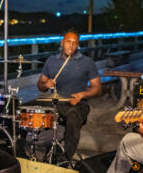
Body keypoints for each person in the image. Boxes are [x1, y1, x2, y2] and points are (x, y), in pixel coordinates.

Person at [36, 30, 101, 163]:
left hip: (78, 104)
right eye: (68, 42)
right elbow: (40, 86)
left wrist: (83, 94)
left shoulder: (87, 62)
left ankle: (65, 159)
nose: (71, 46)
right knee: (26, 109)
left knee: (73, 114)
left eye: (74, 43)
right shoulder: (52, 61)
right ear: (62, 43)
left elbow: (97, 88)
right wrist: (45, 84)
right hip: (56, 102)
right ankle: (30, 148)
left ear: (78, 45)